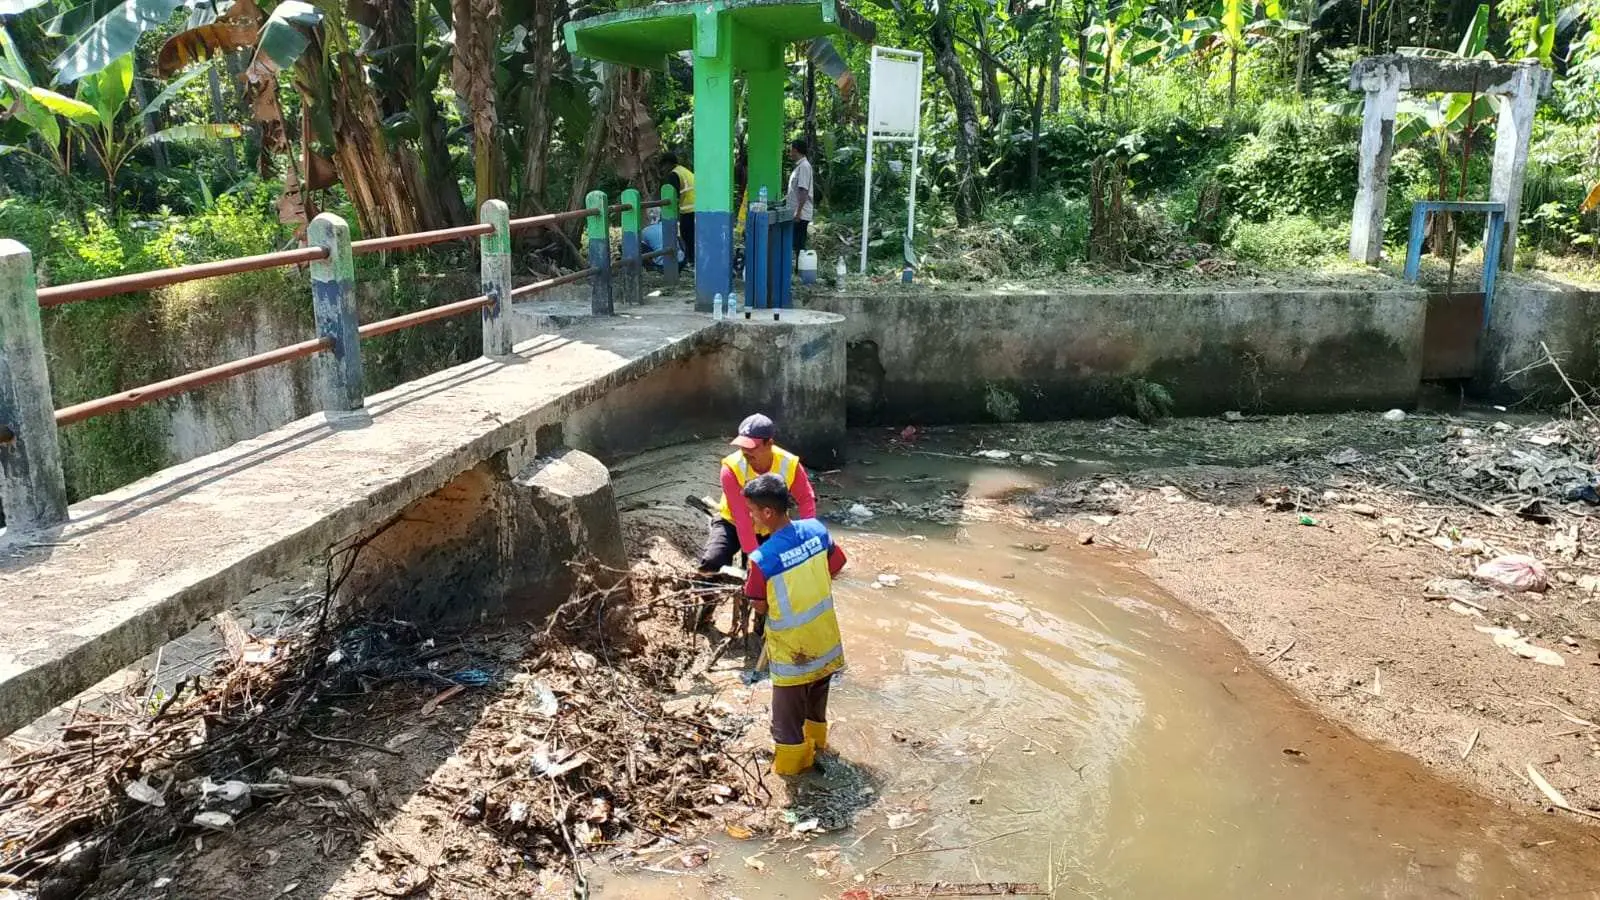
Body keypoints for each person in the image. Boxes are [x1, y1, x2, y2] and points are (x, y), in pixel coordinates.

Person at [741, 473, 848, 775]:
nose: (749, 517)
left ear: (767, 513)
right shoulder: (816, 530)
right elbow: (837, 566)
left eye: (751, 511)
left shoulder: (762, 559)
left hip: (792, 654)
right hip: (825, 644)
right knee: (815, 709)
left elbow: (759, 605)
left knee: (786, 725)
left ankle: (794, 781)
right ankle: (818, 751)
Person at [697, 413, 817, 576]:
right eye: (742, 446)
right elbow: (741, 516)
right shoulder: (731, 467)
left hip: (770, 526)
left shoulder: (789, 464)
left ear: (769, 443)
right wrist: (754, 556)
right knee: (711, 564)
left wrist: (807, 538)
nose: (746, 452)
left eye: (752, 447)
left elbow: (806, 500)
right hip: (731, 521)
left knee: (776, 573)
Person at [659, 152, 696, 264]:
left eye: (663, 166)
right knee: (692, 236)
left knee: (687, 236)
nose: (662, 169)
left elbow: (674, 197)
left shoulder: (674, 174)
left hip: (689, 209)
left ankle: (690, 260)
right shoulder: (684, 171)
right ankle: (692, 259)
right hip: (697, 207)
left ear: (668, 164)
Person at [787, 139, 814, 253]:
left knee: (799, 245)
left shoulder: (804, 166)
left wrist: (798, 212)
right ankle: (800, 268)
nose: (790, 153)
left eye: (791, 150)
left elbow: (803, 191)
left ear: (795, 150)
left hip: (801, 214)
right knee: (797, 245)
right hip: (798, 212)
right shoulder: (800, 166)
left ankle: (801, 269)